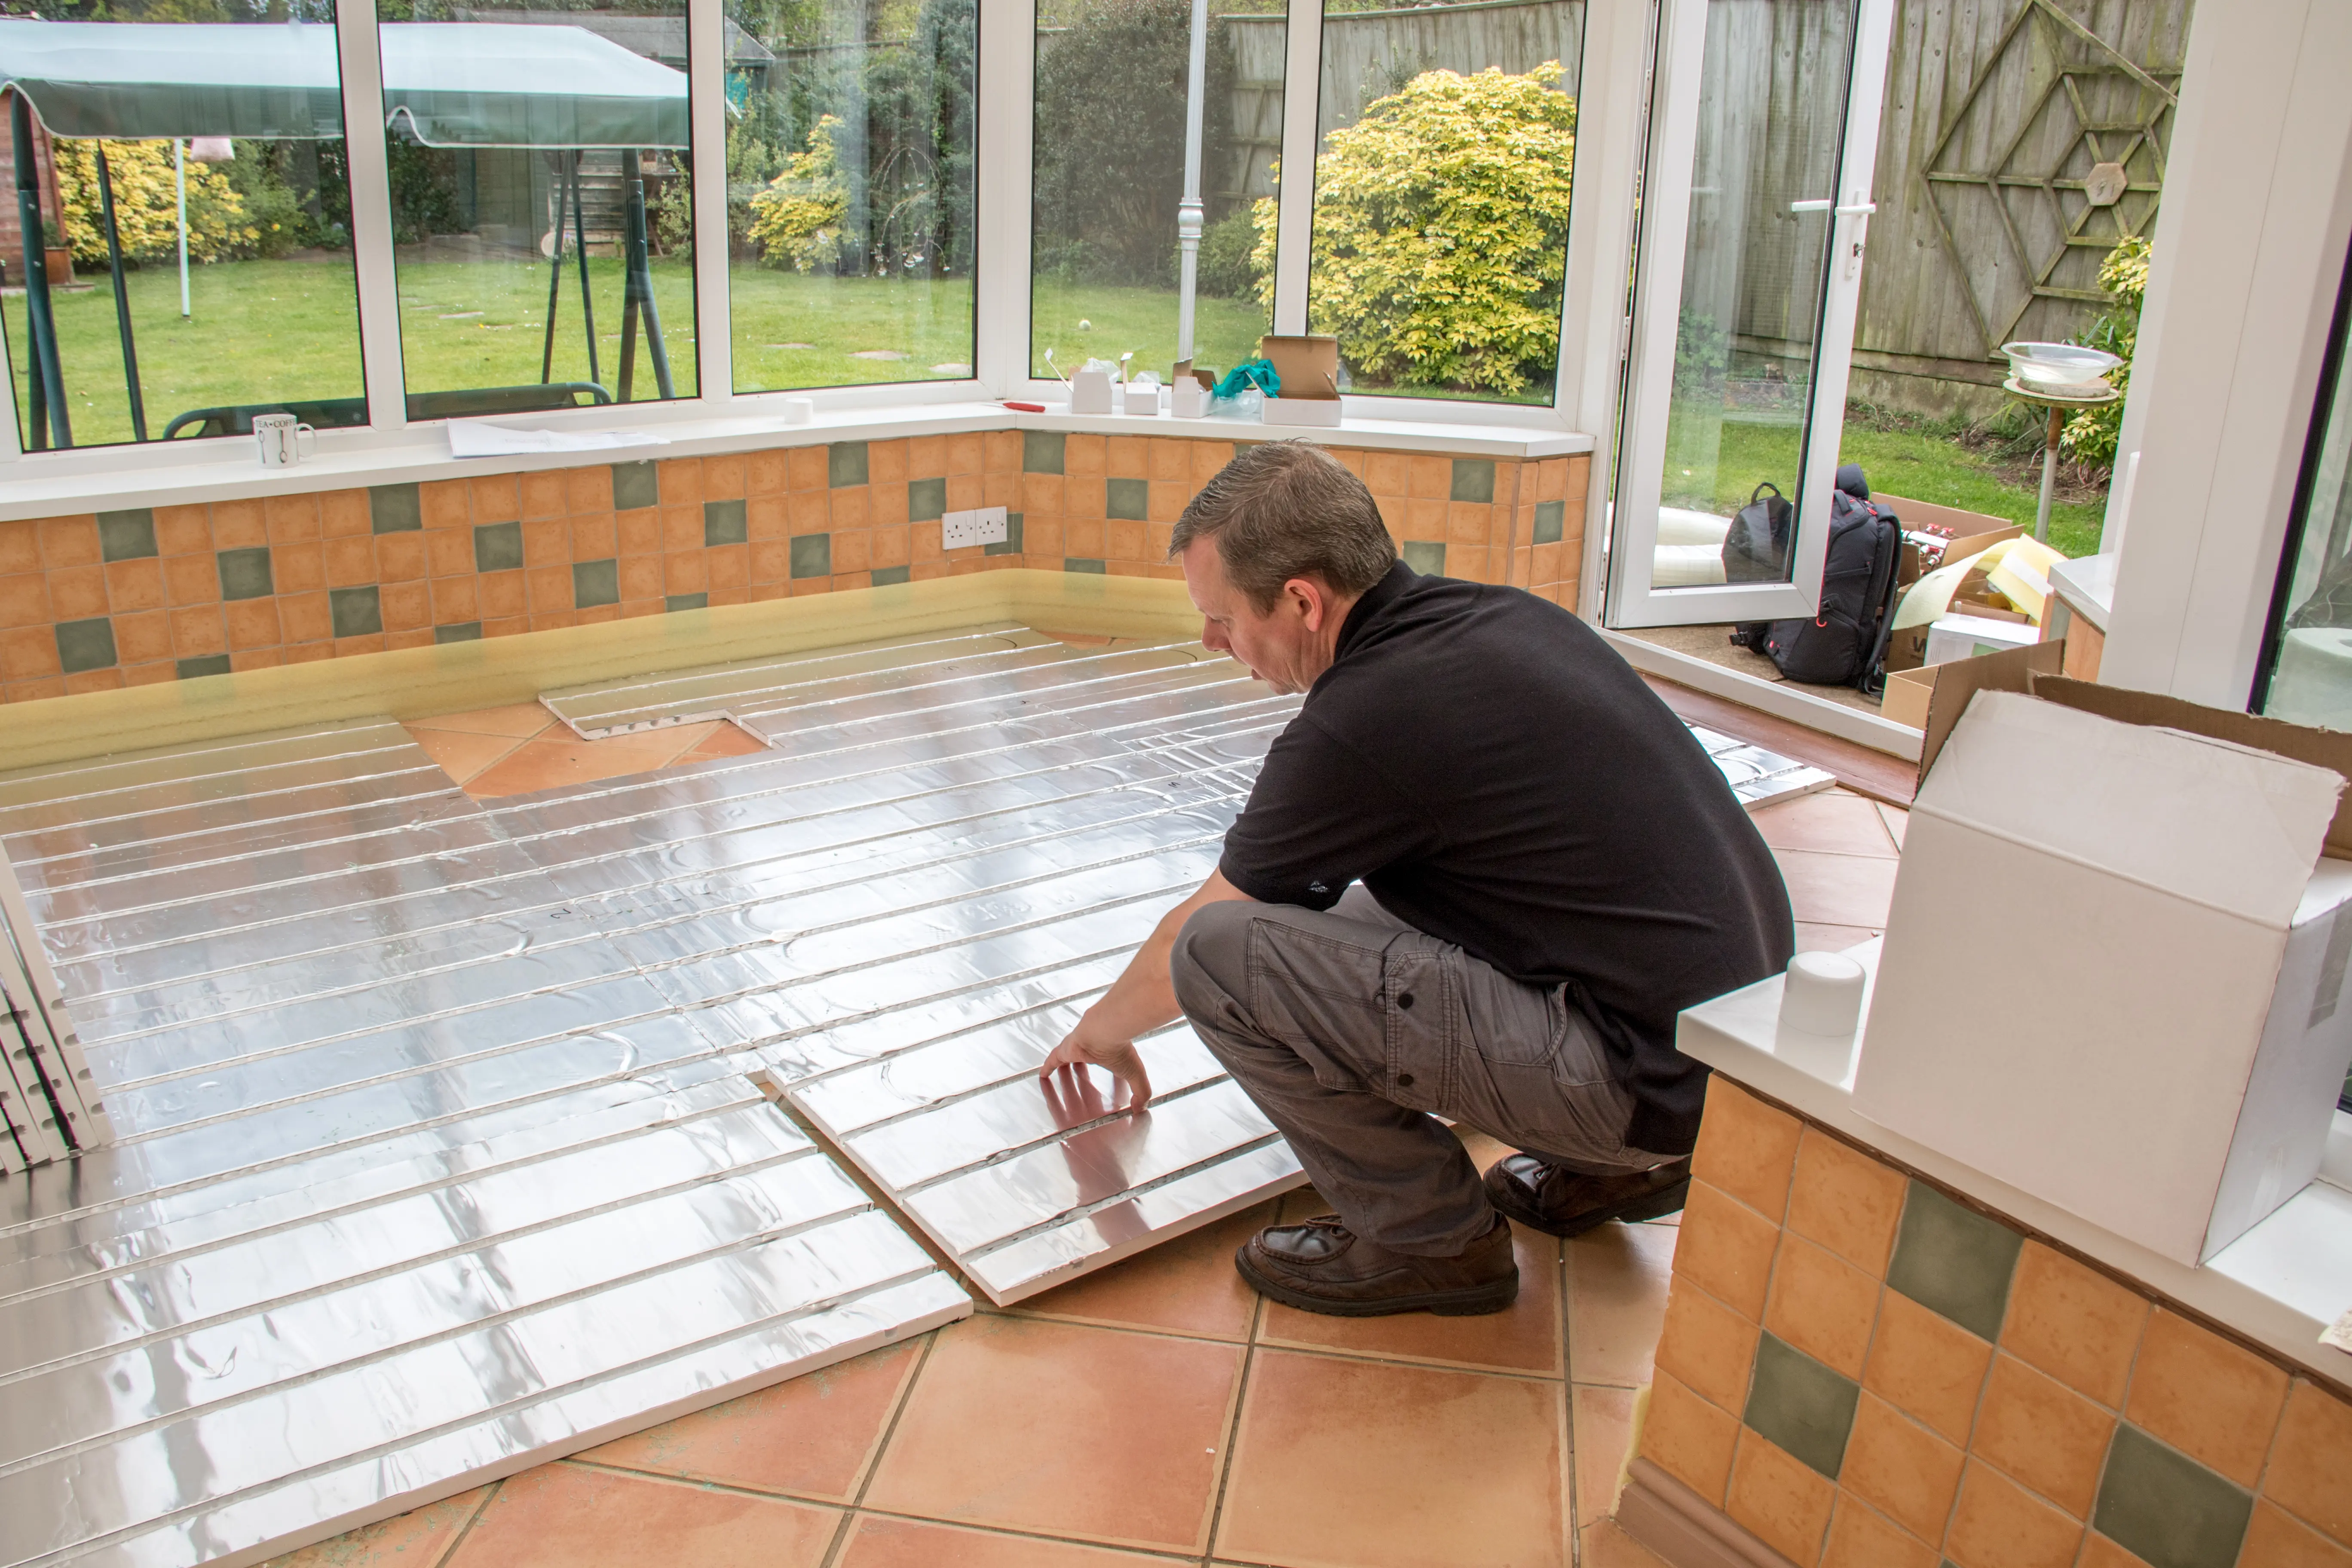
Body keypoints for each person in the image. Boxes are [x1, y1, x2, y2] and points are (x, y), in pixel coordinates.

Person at [1040, 441, 1793, 1317]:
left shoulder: (1365, 720)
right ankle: (1614, 1172)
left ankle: (1430, 1240)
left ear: (1301, 602)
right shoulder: (1499, 620)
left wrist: (1097, 1033)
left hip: (1639, 1083)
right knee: (1361, 909)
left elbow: (1197, 935)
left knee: (1218, 955)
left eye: (1222, 618)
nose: (1213, 642)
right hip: (1723, 1057)